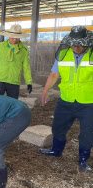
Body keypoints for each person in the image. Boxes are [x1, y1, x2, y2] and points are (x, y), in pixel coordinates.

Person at [39, 26, 93, 172]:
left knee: (88, 132)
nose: (75, 47)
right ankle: (56, 150)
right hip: (66, 100)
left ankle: (83, 159)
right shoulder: (63, 54)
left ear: (87, 41)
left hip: (88, 102)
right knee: (58, 127)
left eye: (79, 44)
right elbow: (54, 75)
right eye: (73, 44)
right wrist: (45, 91)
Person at [0, 24, 33, 99]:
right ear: (8, 36)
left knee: (12, 104)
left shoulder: (24, 49)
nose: (14, 40)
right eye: (12, 37)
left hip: (14, 81)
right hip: (0, 80)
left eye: (17, 38)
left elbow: (26, 66)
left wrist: (29, 82)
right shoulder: (0, 47)